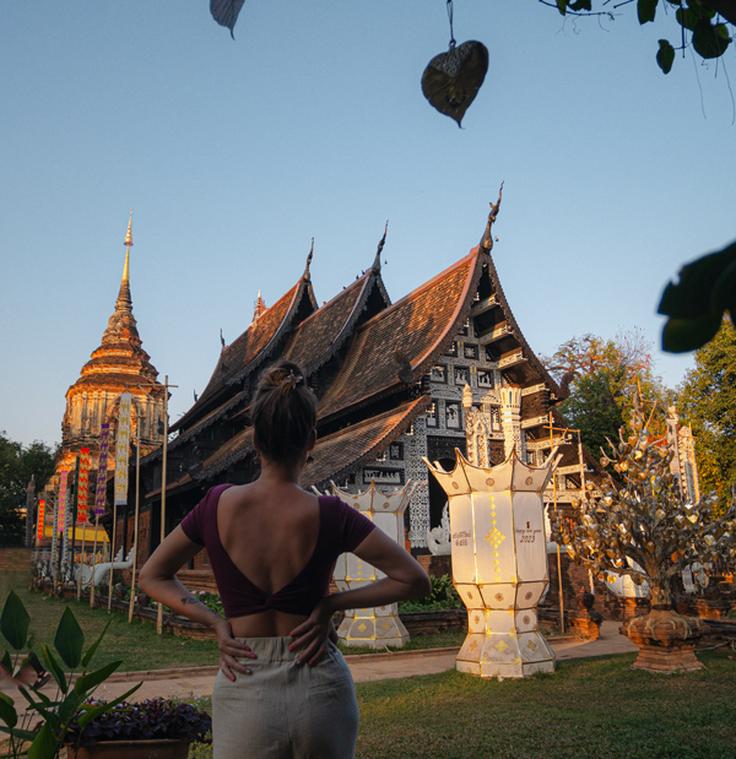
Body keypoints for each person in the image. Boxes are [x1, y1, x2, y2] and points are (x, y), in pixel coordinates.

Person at [139, 361, 431, 758]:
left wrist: (215, 623)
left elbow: (152, 575)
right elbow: (413, 579)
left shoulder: (216, 506)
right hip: (319, 683)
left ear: (255, 440)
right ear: (311, 440)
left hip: (244, 679)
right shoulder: (330, 513)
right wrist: (331, 605)